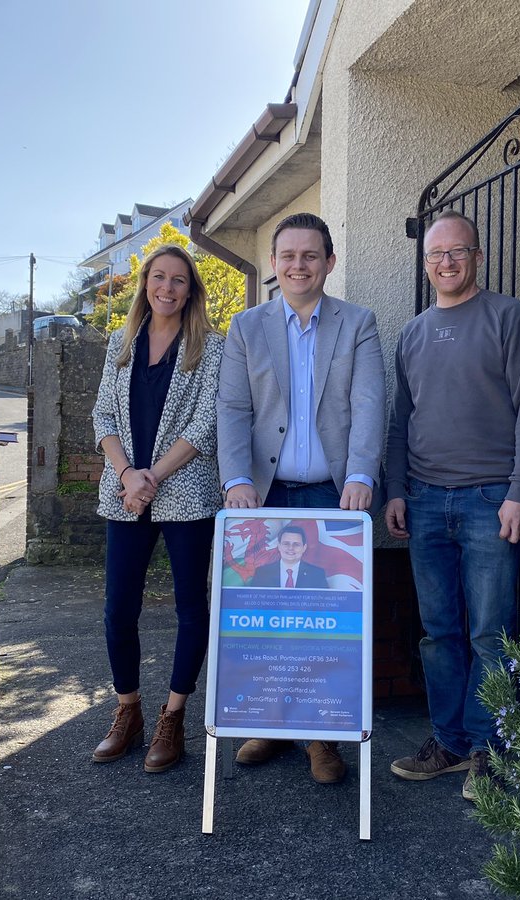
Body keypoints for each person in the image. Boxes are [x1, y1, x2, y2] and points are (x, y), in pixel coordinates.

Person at [385, 210, 520, 801]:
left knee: (490, 633)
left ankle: (489, 750)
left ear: (477, 256)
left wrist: (519, 491)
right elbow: (400, 423)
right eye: (436, 255)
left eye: (458, 252)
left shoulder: (508, 318)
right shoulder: (412, 333)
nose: (447, 262)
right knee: (438, 633)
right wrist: (396, 489)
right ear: (425, 263)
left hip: (490, 501)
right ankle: (449, 743)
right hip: (425, 501)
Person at [217, 211, 385, 784]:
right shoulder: (246, 328)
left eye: (310, 256)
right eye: (288, 256)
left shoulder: (358, 324)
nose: (298, 265)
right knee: (269, 620)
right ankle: (272, 723)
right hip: (262, 497)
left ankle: (322, 736)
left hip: (333, 498)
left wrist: (362, 474)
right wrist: (236, 479)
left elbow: (368, 406)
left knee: (324, 619)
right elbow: (235, 409)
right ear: (274, 264)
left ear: (328, 263)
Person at [91, 244, 224, 773]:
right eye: (159, 277)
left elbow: (205, 424)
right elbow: (102, 412)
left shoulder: (211, 347)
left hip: (186, 491)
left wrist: (153, 477)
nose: (167, 288)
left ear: (191, 291)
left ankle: (173, 718)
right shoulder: (118, 343)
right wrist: (128, 475)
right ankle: (129, 712)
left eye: (178, 281)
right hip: (124, 492)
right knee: (118, 609)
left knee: (192, 608)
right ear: (146, 283)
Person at [249, 524, 329, 588]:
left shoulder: (317, 574)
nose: (291, 548)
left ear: (304, 548)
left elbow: (323, 604)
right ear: (279, 546)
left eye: (296, 544)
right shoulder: (262, 573)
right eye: (286, 543)